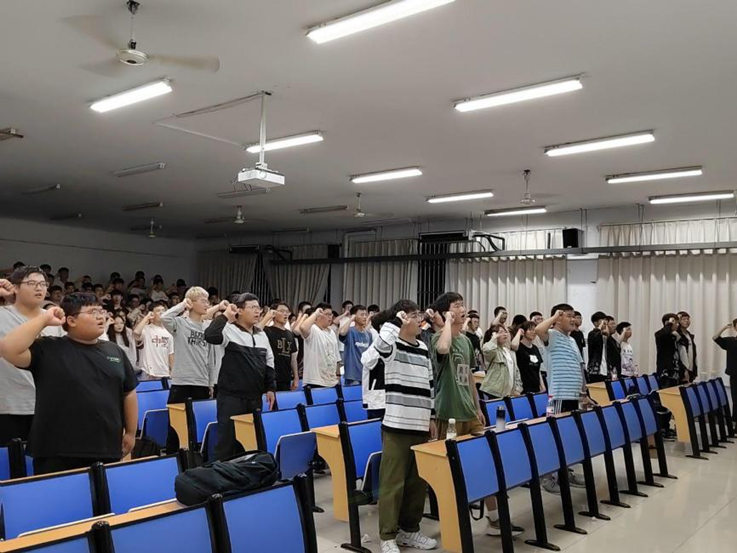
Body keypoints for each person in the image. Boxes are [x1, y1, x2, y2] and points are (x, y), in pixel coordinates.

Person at [1, 293, 138, 475]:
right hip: (56, 451)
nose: (101, 317)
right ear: (71, 320)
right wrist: (44, 319)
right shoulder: (49, 348)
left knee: (104, 493)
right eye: (93, 312)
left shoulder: (115, 351)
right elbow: (8, 348)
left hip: (106, 446)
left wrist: (131, 432)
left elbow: (128, 393)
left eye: (101, 311)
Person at [431, 292, 521, 537]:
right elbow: (443, 348)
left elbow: (468, 376)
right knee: (451, 472)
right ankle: (453, 527)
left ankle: (495, 520)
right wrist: (447, 322)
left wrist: (478, 407)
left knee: (486, 463)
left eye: (462, 305)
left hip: (470, 412)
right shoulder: (438, 337)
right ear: (446, 312)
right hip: (448, 413)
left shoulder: (466, 342)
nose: (462, 309)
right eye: (456, 306)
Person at [369, 301, 437, 553]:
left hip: (420, 423)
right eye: (414, 315)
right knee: (392, 483)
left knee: (417, 483)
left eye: (419, 314)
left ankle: (410, 530)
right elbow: (379, 347)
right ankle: (387, 536)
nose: (420, 320)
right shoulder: (393, 345)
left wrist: (431, 417)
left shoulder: (423, 347)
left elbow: (430, 385)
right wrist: (395, 321)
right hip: (397, 424)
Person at [205, 294, 275, 460]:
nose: (257, 311)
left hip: (255, 397)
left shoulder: (261, 335)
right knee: (227, 442)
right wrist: (225, 316)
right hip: (231, 397)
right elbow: (210, 335)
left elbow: (269, 362)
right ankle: (221, 473)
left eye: (258, 308)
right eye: (253, 307)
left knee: (253, 443)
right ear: (240, 311)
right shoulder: (229, 330)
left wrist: (270, 388)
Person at [0, 269, 65, 444]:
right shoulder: (2, 316)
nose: (39, 288)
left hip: (49, 406)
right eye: (32, 283)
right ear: (15, 287)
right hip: (9, 405)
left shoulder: (55, 319)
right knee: (10, 459)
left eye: (43, 284)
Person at [535, 304, 588, 493]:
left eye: (574, 316)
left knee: (568, 438)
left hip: (574, 396)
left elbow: (580, 367)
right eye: (568, 316)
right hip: (559, 396)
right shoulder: (552, 335)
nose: (573, 319)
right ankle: (547, 476)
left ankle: (565, 473)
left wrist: (584, 393)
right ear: (557, 318)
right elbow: (538, 329)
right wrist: (555, 316)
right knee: (554, 437)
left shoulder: (572, 340)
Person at [162, 287, 222, 450]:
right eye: (203, 301)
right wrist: (182, 305)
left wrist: (211, 382)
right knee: (175, 426)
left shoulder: (208, 327)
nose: (207, 304)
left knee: (196, 427)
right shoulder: (180, 323)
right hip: (181, 381)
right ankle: (173, 456)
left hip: (201, 382)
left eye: (207, 301)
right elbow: (164, 317)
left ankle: (194, 456)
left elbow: (210, 358)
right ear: (191, 302)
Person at [297, 303, 340, 388]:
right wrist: (316, 313)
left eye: (331, 314)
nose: (330, 317)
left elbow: (336, 357)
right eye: (327, 314)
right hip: (315, 381)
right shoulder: (313, 329)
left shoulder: (332, 332)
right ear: (319, 316)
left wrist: (338, 375)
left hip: (331, 381)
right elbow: (303, 327)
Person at [260, 300, 299, 391]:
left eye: (287, 311)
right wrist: (267, 316)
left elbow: (293, 358)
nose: (285, 314)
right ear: (274, 313)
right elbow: (256, 331)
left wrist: (296, 377)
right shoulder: (267, 330)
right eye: (282, 311)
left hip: (285, 377)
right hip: (269, 377)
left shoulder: (290, 334)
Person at [133, 301, 174, 380]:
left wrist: (173, 370)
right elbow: (136, 332)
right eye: (158, 311)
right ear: (152, 314)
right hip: (148, 372)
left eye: (163, 310)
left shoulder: (169, 332)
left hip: (164, 372)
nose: (161, 313)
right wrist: (147, 317)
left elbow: (171, 353)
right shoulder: (147, 329)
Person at [480, 324, 522, 399]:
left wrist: (518, 389)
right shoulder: (493, 350)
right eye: (500, 332)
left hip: (509, 393)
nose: (504, 334)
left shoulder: (509, 352)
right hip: (495, 392)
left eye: (505, 332)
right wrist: (493, 338)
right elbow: (488, 350)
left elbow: (516, 371)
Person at [339, 304, 373, 385]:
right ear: (354, 316)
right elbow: (342, 332)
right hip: (352, 376)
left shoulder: (369, 334)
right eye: (361, 315)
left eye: (366, 314)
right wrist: (351, 319)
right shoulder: (350, 331)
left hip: (365, 374)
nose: (364, 317)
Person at [713, 320, 737, 422]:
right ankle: (735, 422)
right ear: (735, 328)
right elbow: (715, 338)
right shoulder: (731, 341)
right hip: (735, 375)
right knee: (736, 400)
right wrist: (725, 327)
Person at [515, 321, 546, 394]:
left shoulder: (535, 348)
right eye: (530, 330)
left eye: (534, 330)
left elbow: (538, 369)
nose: (533, 332)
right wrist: (519, 333)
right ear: (524, 331)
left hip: (535, 388)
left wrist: (542, 386)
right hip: (522, 388)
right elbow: (513, 345)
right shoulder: (519, 347)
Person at [655, 313, 682, 387]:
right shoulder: (659, 334)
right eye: (675, 323)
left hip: (675, 371)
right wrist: (669, 323)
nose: (677, 325)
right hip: (665, 372)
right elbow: (665, 333)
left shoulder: (674, 336)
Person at [586, 311, 610, 383]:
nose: (604, 323)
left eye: (605, 321)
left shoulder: (605, 336)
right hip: (595, 371)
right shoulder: (592, 334)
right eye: (601, 321)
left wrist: (608, 335)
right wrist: (599, 328)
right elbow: (595, 337)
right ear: (595, 323)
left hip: (607, 371)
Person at [677, 311, 697, 383]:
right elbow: (678, 355)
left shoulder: (689, 335)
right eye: (683, 319)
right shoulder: (677, 335)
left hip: (691, 368)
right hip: (681, 370)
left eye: (688, 319)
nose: (686, 321)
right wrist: (684, 370)